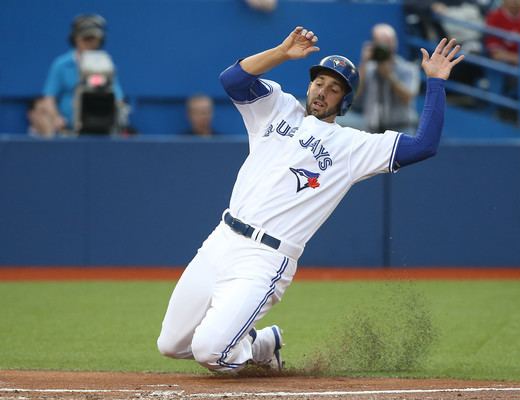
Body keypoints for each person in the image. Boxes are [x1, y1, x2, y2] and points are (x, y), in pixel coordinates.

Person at [156, 26, 463, 373]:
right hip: (221, 239)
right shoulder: (276, 108)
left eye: (334, 89)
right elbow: (232, 80)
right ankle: (261, 341)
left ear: (344, 101)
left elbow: (424, 145)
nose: (322, 91)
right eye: (319, 82)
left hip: (265, 258)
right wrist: (282, 52)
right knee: (171, 344)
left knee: (210, 352)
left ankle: (260, 346)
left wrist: (436, 81)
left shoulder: (352, 146)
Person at [42, 14, 125, 133]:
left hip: (104, 131)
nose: (90, 43)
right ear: (75, 39)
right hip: (69, 131)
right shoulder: (61, 65)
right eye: (86, 39)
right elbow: (49, 99)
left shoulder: (107, 65)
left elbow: (118, 98)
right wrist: (56, 119)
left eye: (94, 39)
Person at [356, 23, 421, 133]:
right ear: (373, 43)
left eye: (389, 41)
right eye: (381, 41)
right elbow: (355, 95)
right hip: (372, 130)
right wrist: (363, 63)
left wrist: (389, 76)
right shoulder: (368, 69)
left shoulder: (408, 68)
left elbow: (408, 97)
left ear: (395, 43)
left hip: (402, 129)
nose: (386, 45)